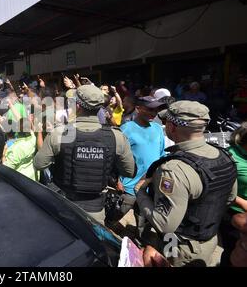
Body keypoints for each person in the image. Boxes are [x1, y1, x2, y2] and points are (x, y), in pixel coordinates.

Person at [136, 101, 238, 267]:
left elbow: (164, 224)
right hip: (209, 239)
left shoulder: (174, 169)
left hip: (181, 247)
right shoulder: (225, 156)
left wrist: (140, 191)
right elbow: (229, 198)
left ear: (172, 127)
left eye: (165, 122)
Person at [34, 85, 136, 224]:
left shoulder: (59, 134)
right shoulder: (116, 137)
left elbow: (39, 164)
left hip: (63, 206)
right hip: (95, 211)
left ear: (77, 105)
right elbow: (129, 171)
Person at [118, 96, 166, 236]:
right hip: (129, 186)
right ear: (138, 109)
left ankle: (140, 245)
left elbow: (161, 154)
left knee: (143, 224)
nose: (154, 113)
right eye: (150, 109)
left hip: (150, 186)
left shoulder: (157, 129)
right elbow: (118, 156)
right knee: (114, 217)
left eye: (156, 110)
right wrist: (118, 179)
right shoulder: (126, 129)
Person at [219, 122, 247, 266]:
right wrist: (241, 202)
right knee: (234, 254)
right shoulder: (230, 157)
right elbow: (220, 188)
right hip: (234, 213)